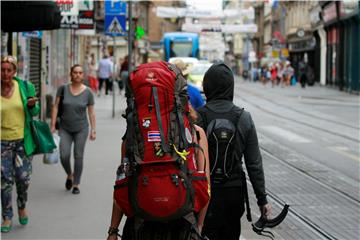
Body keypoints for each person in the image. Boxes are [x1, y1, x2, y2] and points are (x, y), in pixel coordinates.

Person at [196, 62, 271, 240]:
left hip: (204, 194)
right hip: (233, 195)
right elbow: (254, 164)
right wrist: (262, 200)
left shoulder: (197, 117)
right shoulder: (244, 117)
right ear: (231, 87)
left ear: (207, 86)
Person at [1, 55, 40, 233]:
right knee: (4, 181)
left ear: (14, 71)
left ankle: (22, 205)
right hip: (2, 142)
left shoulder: (24, 87)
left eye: (9, 70)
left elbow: (35, 111)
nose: (5, 73)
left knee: (23, 178)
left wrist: (32, 106)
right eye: (2, 70)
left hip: (22, 141)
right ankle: (7, 216)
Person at [50, 64, 96, 195]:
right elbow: (55, 107)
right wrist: (52, 124)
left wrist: (93, 129)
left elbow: (91, 113)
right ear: (71, 74)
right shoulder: (63, 89)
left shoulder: (88, 92)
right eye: (75, 72)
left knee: (78, 155)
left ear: (83, 75)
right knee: (64, 155)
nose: (77, 75)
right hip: (65, 128)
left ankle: (76, 183)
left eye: (80, 73)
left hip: (81, 128)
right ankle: (70, 174)